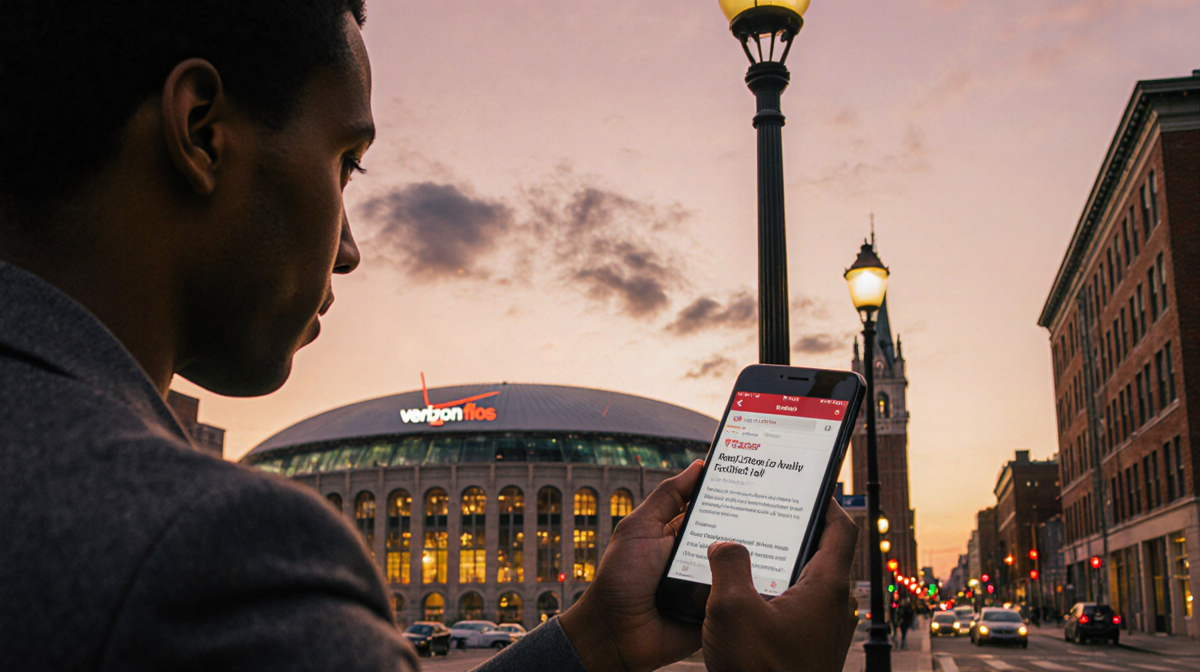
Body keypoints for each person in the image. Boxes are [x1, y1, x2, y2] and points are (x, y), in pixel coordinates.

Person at [0, 2, 859, 671]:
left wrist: (598, 637)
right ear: (201, 132)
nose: (348, 247)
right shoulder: (214, 555)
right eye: (346, 163)